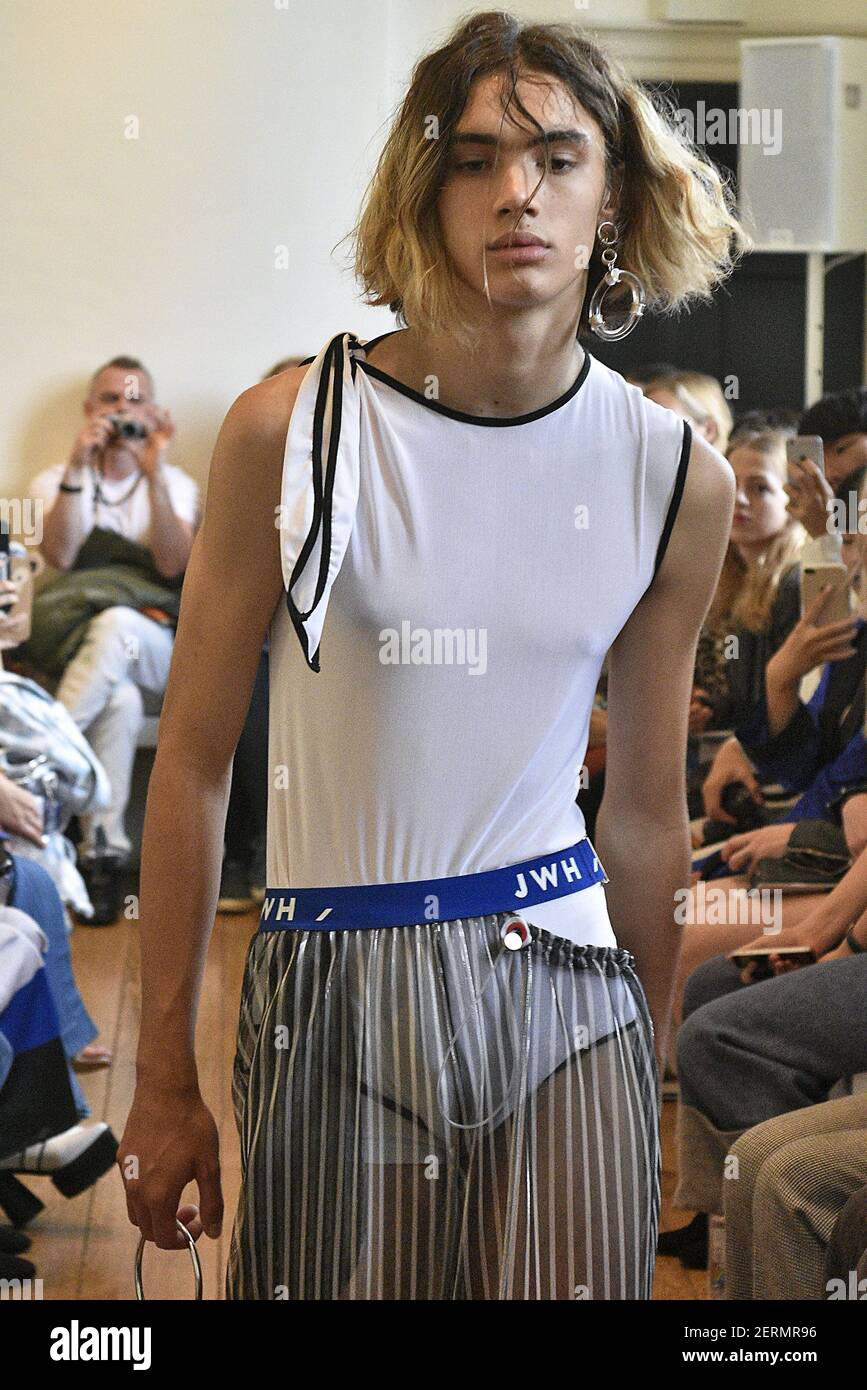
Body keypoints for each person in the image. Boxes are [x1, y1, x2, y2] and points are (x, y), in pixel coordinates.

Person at [119, 10, 744, 1300]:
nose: (517, 192)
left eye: (558, 157)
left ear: (614, 191)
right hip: (333, 978)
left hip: (569, 984)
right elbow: (186, 770)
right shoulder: (284, 428)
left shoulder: (675, 471)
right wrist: (167, 1081)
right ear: (427, 186)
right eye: (473, 159)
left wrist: (653, 1060)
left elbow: (644, 809)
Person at [27, 356, 201, 914]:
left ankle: (38, 753)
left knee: (119, 623)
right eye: (110, 399)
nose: (123, 409)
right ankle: (102, 859)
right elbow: (59, 555)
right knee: (119, 702)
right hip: (86, 658)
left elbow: (176, 566)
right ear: (89, 410)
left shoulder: (174, 483)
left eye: (135, 399)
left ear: (154, 412)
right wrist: (81, 461)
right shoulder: (57, 478)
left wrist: (154, 470)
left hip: (157, 648)